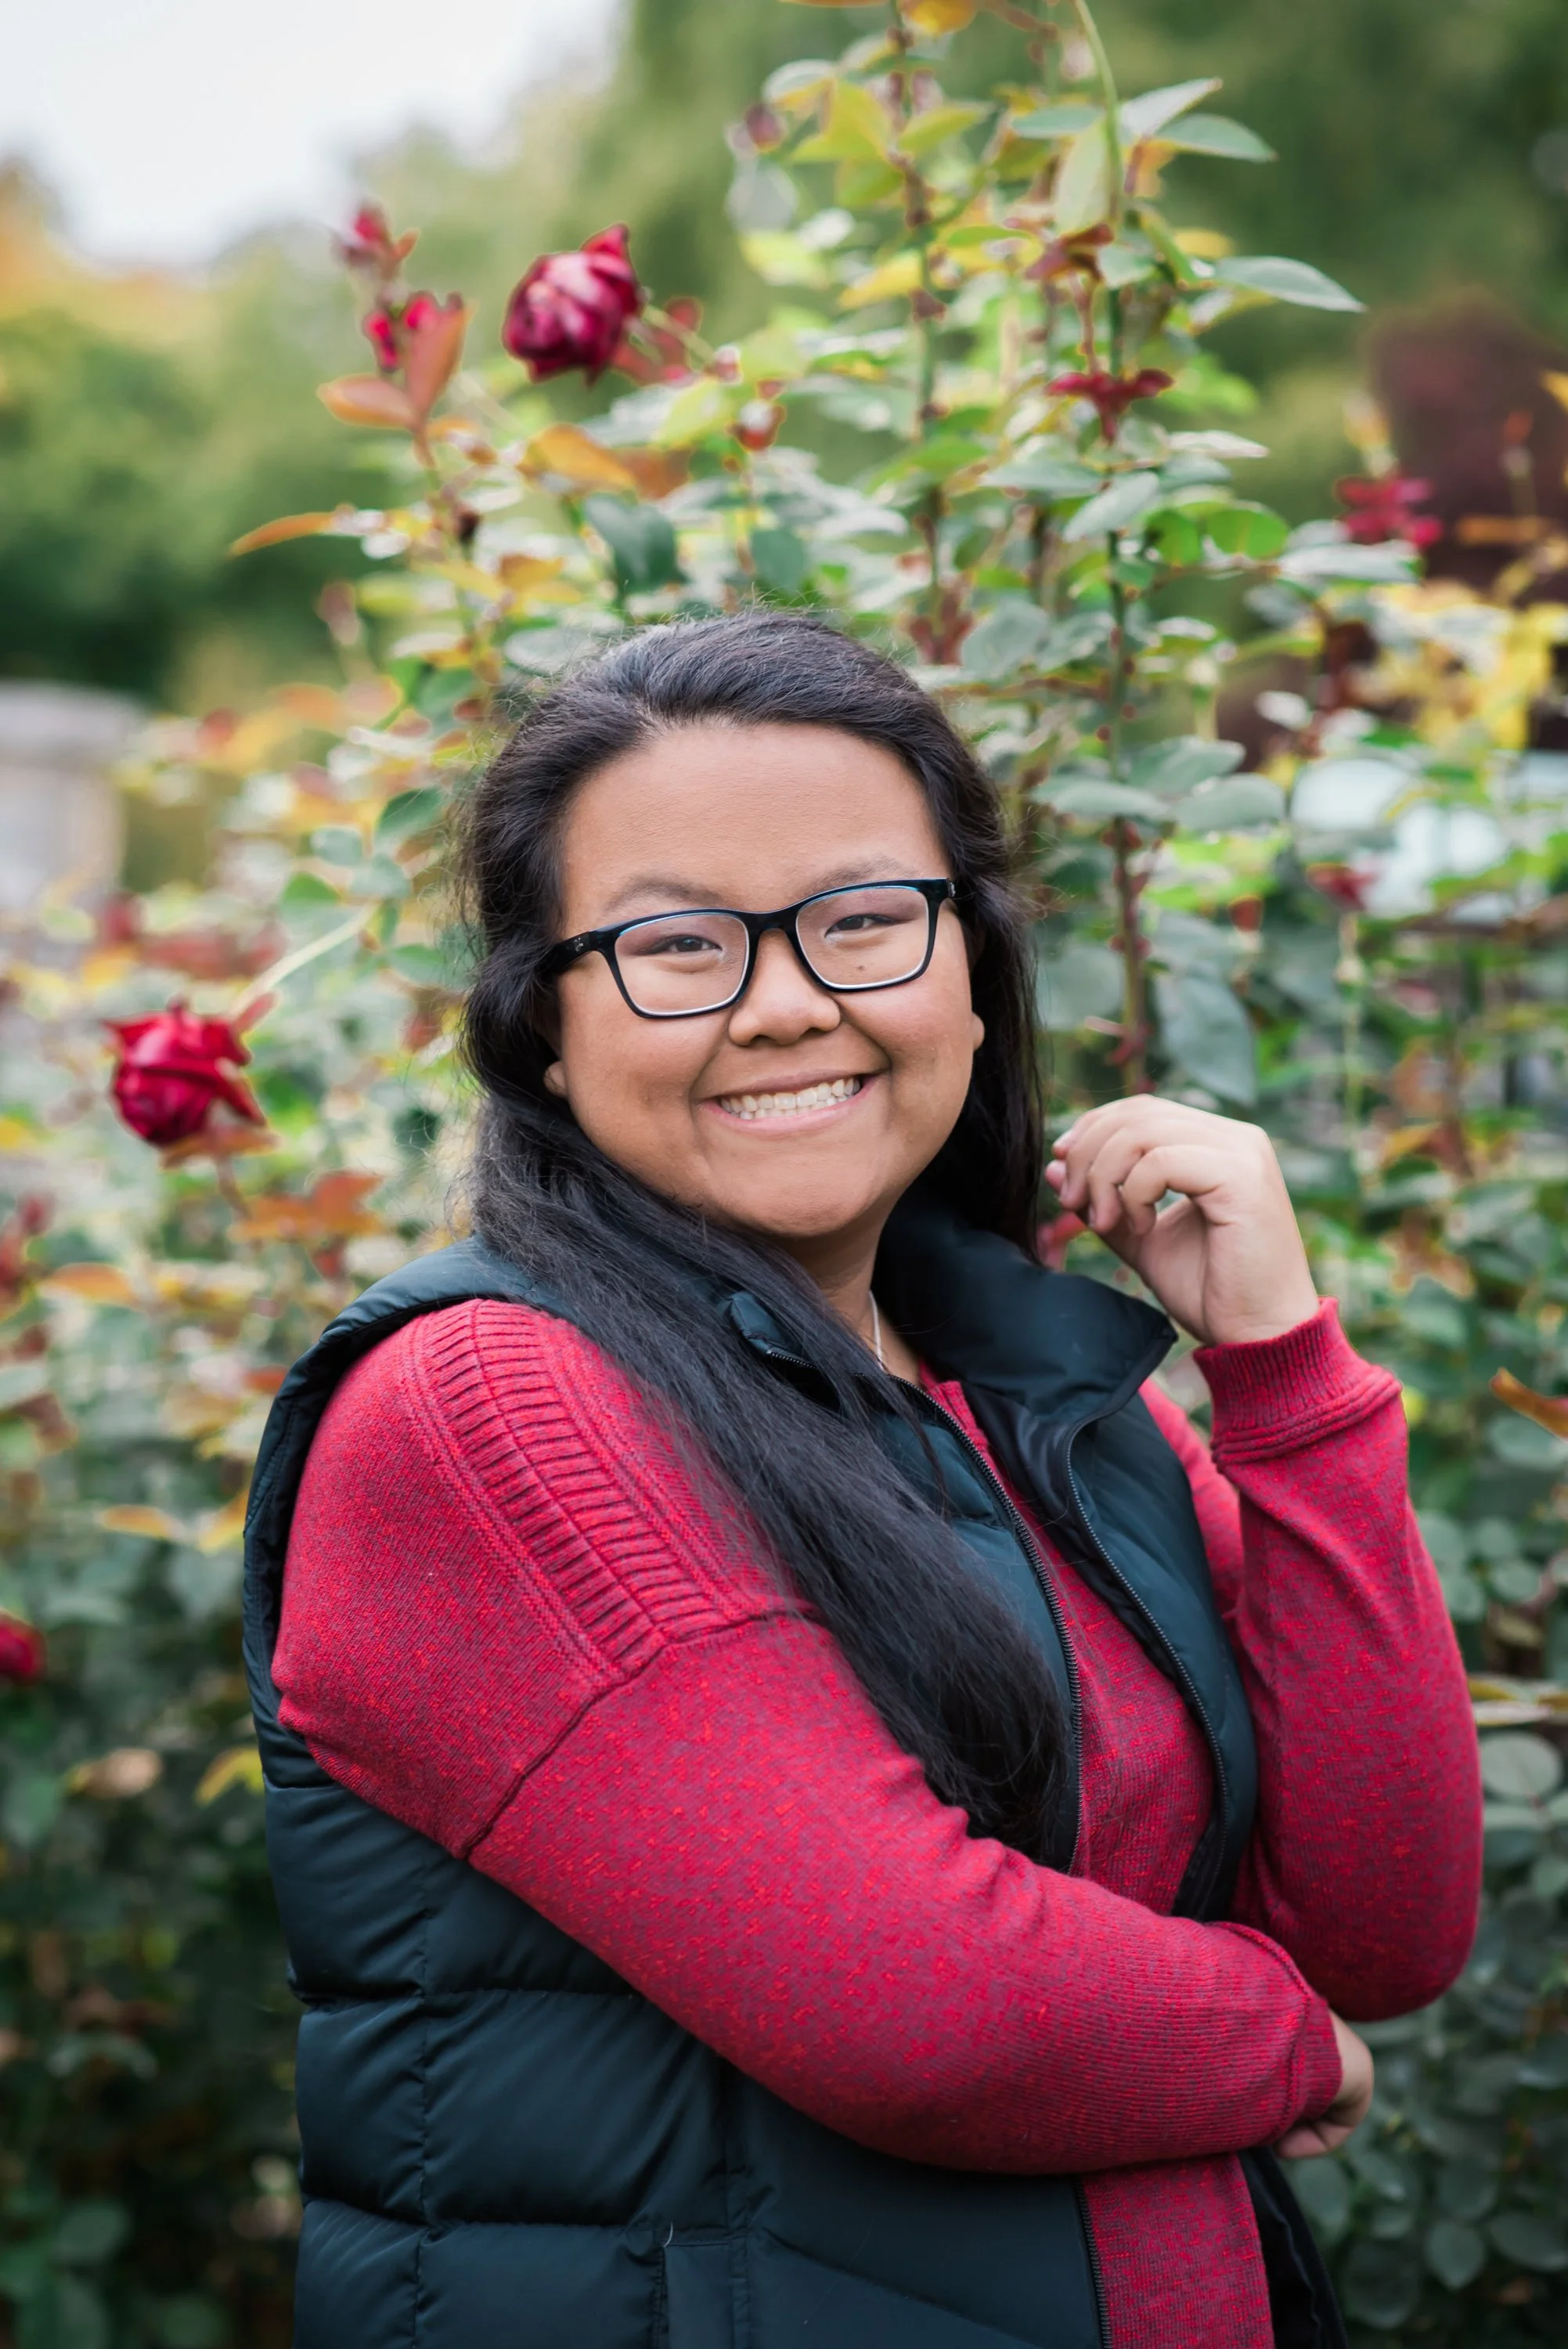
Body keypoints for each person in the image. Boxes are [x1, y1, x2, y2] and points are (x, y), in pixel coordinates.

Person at [243, 612, 1482, 2349]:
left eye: (861, 921)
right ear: (540, 1024)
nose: (786, 1004)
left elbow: (1378, 1921)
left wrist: (1281, 1382)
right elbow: (924, 2001)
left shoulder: (1031, 1400)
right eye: (676, 945)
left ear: (969, 969)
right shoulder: (485, 1410)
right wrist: (1285, 2044)